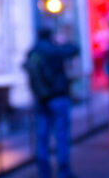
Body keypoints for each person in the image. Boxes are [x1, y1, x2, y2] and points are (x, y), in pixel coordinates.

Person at [24, 28, 79, 178]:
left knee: (42, 138)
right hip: (58, 98)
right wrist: (63, 41)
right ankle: (64, 171)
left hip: (41, 100)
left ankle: (44, 172)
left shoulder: (33, 52)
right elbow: (74, 49)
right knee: (61, 136)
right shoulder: (54, 50)